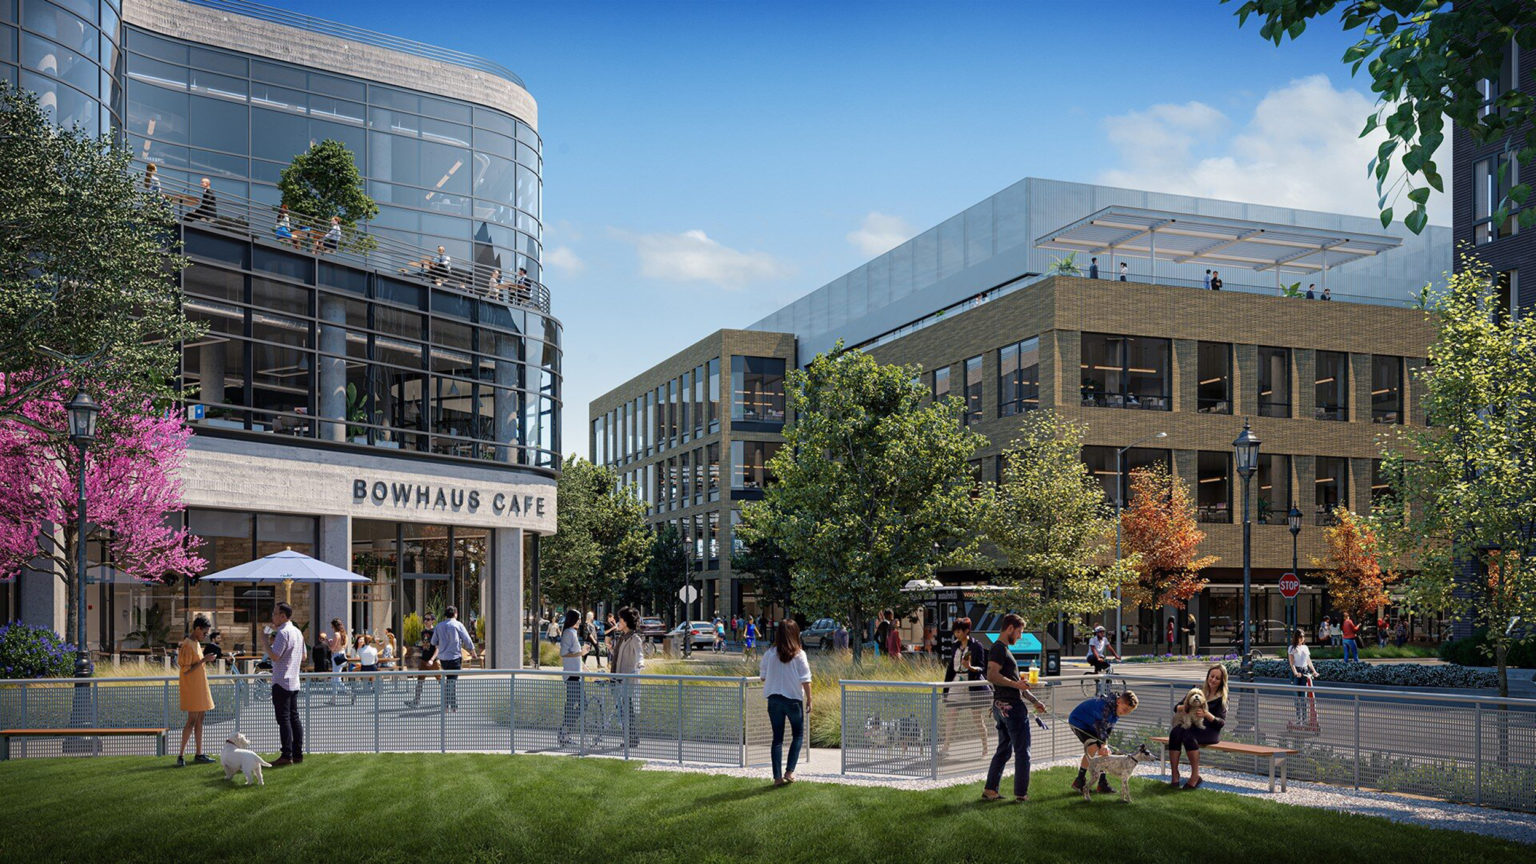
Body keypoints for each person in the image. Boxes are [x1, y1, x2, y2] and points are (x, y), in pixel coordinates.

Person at [981, 613, 1048, 802]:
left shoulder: (1003, 650)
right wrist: (1015, 685)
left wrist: (1034, 701)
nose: (1020, 636)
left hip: (1001, 708)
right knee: (1022, 751)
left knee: (1004, 750)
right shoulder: (998, 649)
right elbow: (992, 676)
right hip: (1011, 709)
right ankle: (1021, 794)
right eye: (1019, 632)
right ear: (1010, 628)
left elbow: (1017, 684)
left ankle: (990, 790)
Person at [759, 618, 813, 785]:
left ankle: (777, 777)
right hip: (793, 700)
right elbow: (806, 680)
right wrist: (810, 698)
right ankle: (789, 771)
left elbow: (762, 677)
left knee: (777, 738)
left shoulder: (769, 654)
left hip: (774, 699)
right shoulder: (799, 655)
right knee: (797, 735)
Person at [1167, 665, 1228, 789]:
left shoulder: (1222, 697)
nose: (1213, 680)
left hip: (1210, 731)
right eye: (1211, 676)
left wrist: (1207, 714)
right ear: (1207, 677)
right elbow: (1176, 707)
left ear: (1222, 681)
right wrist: (1185, 708)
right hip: (1193, 726)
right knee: (1175, 732)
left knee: (1187, 735)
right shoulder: (1198, 691)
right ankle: (1174, 774)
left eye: (1217, 678)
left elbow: (1220, 723)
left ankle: (1195, 776)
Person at [1068, 689, 1140, 794]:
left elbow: (1108, 729)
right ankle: (1079, 781)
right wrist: (1103, 745)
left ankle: (1102, 784)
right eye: (1125, 710)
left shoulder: (1117, 709)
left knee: (1104, 752)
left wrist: (1105, 745)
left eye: (1128, 712)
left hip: (1092, 724)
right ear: (1119, 701)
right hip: (1079, 722)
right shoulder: (1105, 707)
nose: (1125, 713)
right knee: (1093, 748)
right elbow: (1100, 727)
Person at [940, 617, 989, 756]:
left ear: (967, 631)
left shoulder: (976, 645)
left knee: (977, 717)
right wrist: (946, 688)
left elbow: (981, 668)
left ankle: (985, 748)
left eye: (959, 631)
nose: (956, 634)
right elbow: (951, 668)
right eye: (955, 631)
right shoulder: (955, 646)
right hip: (956, 681)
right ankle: (945, 747)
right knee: (951, 714)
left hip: (971, 682)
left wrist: (970, 667)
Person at [264, 602, 303, 765]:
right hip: (294, 680)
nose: (272, 617)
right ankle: (297, 753)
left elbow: (275, 656)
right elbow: (304, 656)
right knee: (294, 718)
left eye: (275, 613)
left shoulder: (283, 632)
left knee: (284, 719)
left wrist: (264, 640)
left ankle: (286, 755)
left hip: (281, 681)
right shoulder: (297, 632)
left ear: (283, 616)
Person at [176, 616, 216, 767]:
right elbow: (185, 670)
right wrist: (204, 660)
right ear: (197, 628)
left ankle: (199, 753)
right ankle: (180, 755)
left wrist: (205, 660)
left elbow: (196, 666)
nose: (205, 635)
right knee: (191, 721)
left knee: (200, 720)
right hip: (192, 688)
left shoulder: (196, 643)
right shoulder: (188, 645)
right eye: (204, 632)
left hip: (199, 686)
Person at [431, 605, 477, 713]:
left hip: (443, 659)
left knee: (450, 681)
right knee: (452, 681)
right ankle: (450, 706)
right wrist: (472, 651)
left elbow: (433, 642)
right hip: (455, 657)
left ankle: (451, 705)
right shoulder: (458, 624)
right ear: (455, 613)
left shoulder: (439, 626)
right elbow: (467, 638)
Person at [610, 606, 644, 747]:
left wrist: (640, 665)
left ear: (625, 621)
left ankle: (632, 739)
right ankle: (630, 738)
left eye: (620, 619)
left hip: (628, 681)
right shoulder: (622, 638)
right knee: (624, 711)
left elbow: (640, 655)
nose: (618, 621)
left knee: (627, 711)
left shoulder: (634, 638)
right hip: (619, 679)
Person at [557, 609, 587, 747]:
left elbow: (577, 657)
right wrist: (582, 652)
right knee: (578, 705)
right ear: (574, 619)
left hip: (577, 675)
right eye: (579, 618)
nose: (580, 621)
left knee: (575, 705)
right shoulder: (568, 633)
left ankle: (565, 732)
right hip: (572, 676)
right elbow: (563, 653)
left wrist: (588, 670)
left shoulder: (573, 632)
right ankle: (564, 732)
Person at [1287, 629, 1317, 722]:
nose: (1302, 638)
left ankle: (1304, 719)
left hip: (1305, 672)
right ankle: (1298, 718)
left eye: (1303, 637)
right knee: (1297, 697)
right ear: (1296, 637)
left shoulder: (1305, 648)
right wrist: (1295, 673)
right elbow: (1291, 663)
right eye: (1300, 637)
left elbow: (1308, 661)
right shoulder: (1292, 648)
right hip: (1297, 672)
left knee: (1304, 697)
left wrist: (1314, 671)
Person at [403, 632, 440, 708]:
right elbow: (424, 646)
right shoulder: (423, 632)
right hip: (423, 660)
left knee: (441, 680)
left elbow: (437, 648)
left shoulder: (435, 631)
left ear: (432, 621)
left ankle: (447, 700)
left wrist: (432, 659)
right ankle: (416, 701)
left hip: (433, 661)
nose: (426, 621)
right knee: (420, 681)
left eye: (428, 619)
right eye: (425, 619)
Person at [326, 618, 350, 705]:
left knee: (335, 679)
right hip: (343, 655)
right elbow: (343, 646)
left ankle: (348, 694)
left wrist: (328, 642)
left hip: (336, 656)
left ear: (334, 626)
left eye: (332, 626)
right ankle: (334, 699)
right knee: (336, 678)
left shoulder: (336, 634)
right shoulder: (345, 635)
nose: (331, 628)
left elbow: (332, 649)